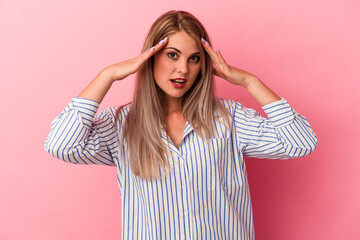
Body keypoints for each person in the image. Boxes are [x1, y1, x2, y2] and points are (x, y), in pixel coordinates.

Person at [45, 10, 317, 240]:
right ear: (151, 57)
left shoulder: (229, 119)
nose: (183, 70)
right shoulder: (121, 125)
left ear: (204, 64)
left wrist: (249, 81)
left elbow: (301, 143)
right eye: (172, 55)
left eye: (194, 58)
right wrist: (108, 75)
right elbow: (61, 144)